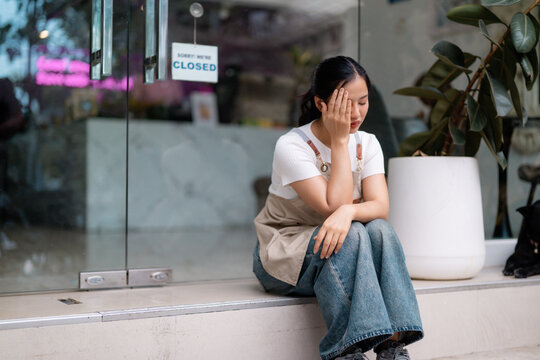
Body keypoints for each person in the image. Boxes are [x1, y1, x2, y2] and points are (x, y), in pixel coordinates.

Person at [253, 56, 424, 360]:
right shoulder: (292, 145)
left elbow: (380, 207)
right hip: (285, 255)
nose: (356, 113)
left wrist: (348, 213)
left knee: (378, 230)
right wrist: (339, 142)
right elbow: (334, 205)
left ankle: (393, 347)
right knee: (354, 234)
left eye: (363, 101)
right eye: (346, 104)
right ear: (321, 104)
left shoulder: (368, 143)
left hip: (344, 248)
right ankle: (345, 350)